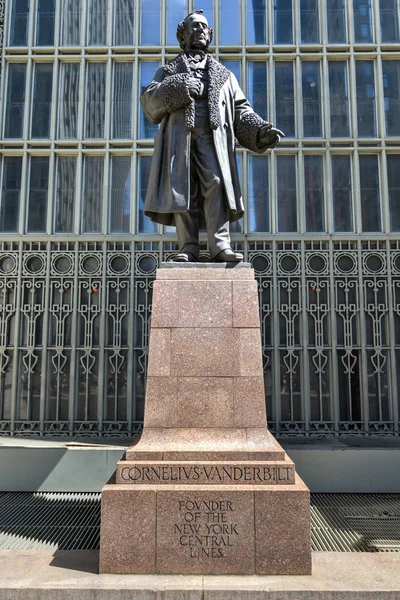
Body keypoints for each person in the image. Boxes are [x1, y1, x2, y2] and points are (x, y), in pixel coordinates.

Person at [140, 10, 284, 263]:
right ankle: (188, 247)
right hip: (179, 139)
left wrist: (260, 131)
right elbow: (149, 102)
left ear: (210, 35)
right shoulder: (169, 70)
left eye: (205, 28)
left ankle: (220, 246)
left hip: (212, 138)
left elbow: (241, 109)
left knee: (216, 184)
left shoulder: (225, 75)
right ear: (183, 34)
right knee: (182, 190)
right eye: (195, 27)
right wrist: (180, 87)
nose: (201, 31)